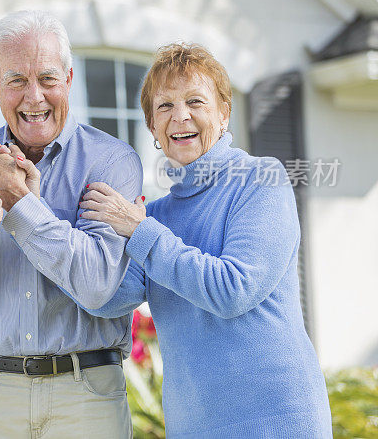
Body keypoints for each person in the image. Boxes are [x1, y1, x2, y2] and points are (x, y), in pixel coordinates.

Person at [72, 43, 332, 438]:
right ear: (153, 128)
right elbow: (106, 299)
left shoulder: (261, 180)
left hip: (278, 421)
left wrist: (138, 230)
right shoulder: (155, 216)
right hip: (194, 427)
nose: (180, 116)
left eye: (196, 101)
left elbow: (233, 289)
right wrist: (39, 218)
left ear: (224, 113)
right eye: (164, 106)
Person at [0, 10, 143, 438]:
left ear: (69, 79)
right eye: (17, 80)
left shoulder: (112, 162)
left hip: (86, 397)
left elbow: (97, 286)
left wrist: (21, 205)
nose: (34, 97)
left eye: (48, 79)